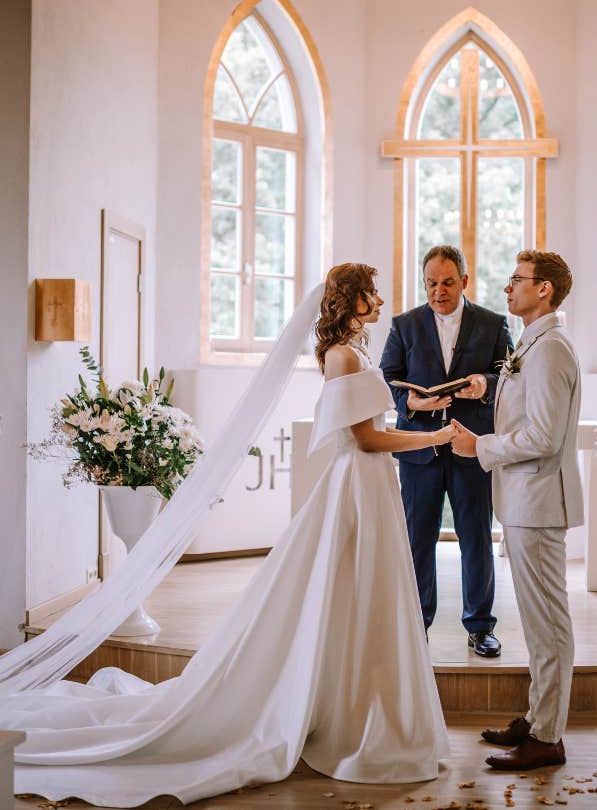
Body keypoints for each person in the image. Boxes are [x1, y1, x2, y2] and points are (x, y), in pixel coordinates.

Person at [2, 264, 454, 806]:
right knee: (348, 592)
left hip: (370, 486)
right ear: (349, 299)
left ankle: (353, 706)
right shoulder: (341, 356)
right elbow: (365, 439)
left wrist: (422, 427)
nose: (380, 301)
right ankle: (347, 714)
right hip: (358, 485)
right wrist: (436, 437)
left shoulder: (352, 351)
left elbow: (374, 430)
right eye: (371, 293)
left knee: (361, 596)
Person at [451, 250, 583, 771]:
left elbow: (544, 436)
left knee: (548, 623)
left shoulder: (550, 350)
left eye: (517, 281)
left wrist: (480, 448)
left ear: (544, 289)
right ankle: (538, 716)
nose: (508, 289)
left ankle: (548, 738)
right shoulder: (534, 343)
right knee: (535, 620)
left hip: (539, 501)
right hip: (525, 500)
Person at [380, 245, 513, 658]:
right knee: (418, 539)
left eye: (447, 282)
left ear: (465, 282)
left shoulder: (493, 323)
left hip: (472, 446)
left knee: (476, 537)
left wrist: (485, 383)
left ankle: (480, 627)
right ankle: (417, 624)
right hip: (419, 449)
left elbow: (509, 373)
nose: (439, 291)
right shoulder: (404, 325)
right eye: (431, 283)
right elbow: (388, 375)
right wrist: (411, 404)